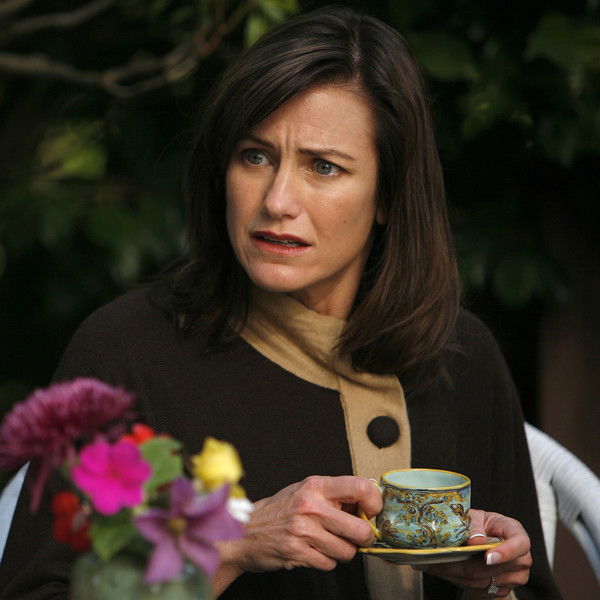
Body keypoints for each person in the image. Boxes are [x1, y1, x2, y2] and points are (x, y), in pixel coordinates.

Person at [0, 6, 562, 599]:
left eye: (324, 167)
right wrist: (231, 546)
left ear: (388, 196)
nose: (277, 200)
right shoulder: (127, 352)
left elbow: (527, 588)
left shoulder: (460, 354)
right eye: (255, 156)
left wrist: (493, 582)